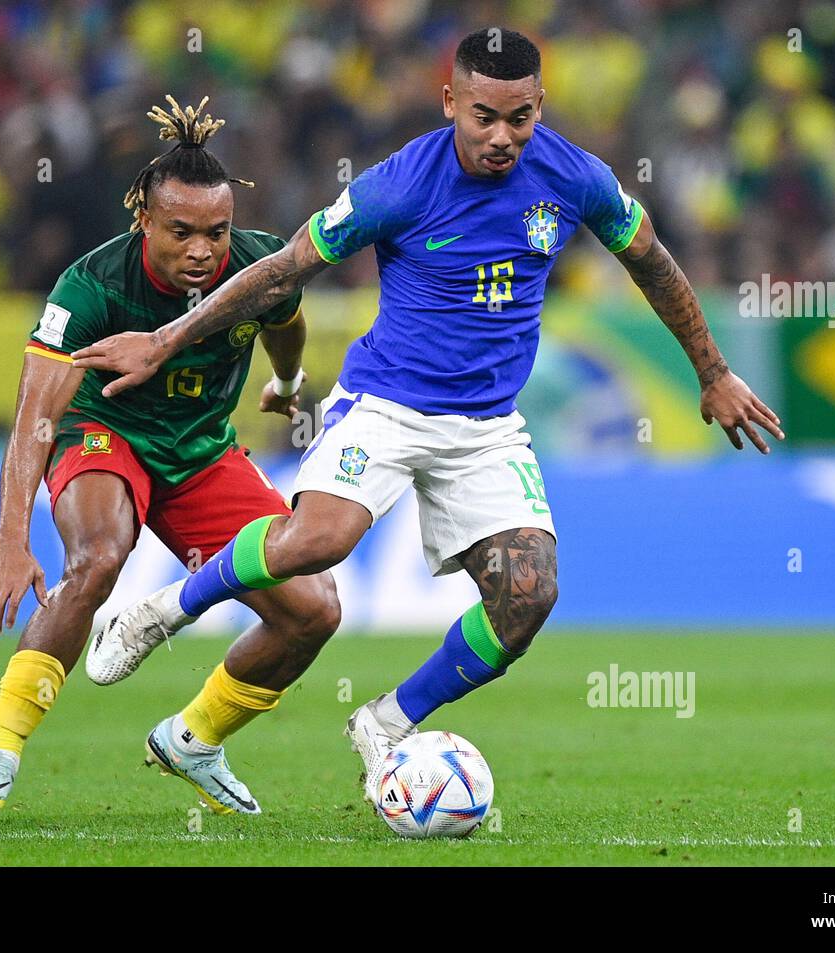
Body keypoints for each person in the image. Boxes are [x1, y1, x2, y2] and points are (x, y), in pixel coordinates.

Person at [73, 32, 783, 802]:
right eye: (484, 116)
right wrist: (168, 337)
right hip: (386, 405)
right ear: (450, 102)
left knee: (528, 595)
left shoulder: (577, 178)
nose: (502, 136)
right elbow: (281, 272)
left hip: (486, 425)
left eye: (520, 117)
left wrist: (712, 373)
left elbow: (651, 259)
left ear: (540, 106)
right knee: (320, 539)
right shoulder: (399, 185)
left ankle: (387, 720)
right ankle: (158, 613)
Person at [0, 98, 340, 819]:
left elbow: (286, 324)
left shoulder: (258, 265)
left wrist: (287, 383)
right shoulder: (90, 287)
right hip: (105, 433)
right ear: (145, 222)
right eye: (182, 232)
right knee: (100, 555)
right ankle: (1, 751)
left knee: (313, 610)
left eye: (216, 232)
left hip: (200, 452)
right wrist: (11, 542)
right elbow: (36, 417)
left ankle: (194, 739)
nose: (202, 250)